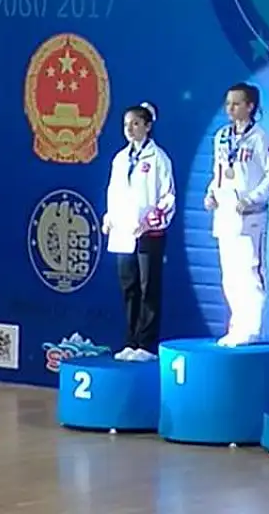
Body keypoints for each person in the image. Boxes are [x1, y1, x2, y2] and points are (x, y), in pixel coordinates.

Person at [204, 83, 269, 346]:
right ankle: (236, 326)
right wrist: (211, 193)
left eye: (236, 103)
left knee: (250, 272)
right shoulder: (221, 136)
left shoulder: (261, 138)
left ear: (250, 106)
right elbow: (218, 172)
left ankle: (252, 328)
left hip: (250, 217)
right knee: (230, 275)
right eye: (228, 103)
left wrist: (252, 199)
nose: (230, 108)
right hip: (225, 215)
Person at [102, 102, 175, 362]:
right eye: (126, 124)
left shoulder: (158, 158)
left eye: (135, 123)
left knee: (148, 288)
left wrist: (149, 221)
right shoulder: (120, 159)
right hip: (123, 234)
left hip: (149, 234)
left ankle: (147, 344)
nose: (130, 129)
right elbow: (114, 192)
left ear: (148, 126)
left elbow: (168, 197)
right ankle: (130, 341)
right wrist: (109, 217)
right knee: (129, 287)